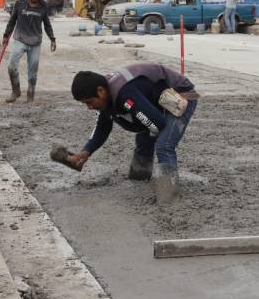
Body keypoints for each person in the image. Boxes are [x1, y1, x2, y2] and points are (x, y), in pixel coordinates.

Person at [68, 63, 198, 203]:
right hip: (154, 101)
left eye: (89, 102)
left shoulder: (124, 93)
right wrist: (86, 151)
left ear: (100, 91)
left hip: (180, 97)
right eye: (85, 104)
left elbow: (158, 123)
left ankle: (169, 196)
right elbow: (102, 127)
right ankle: (139, 179)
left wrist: (152, 132)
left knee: (164, 145)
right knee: (144, 135)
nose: (90, 107)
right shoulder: (105, 94)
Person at [3, 0, 56, 103]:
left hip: (35, 42)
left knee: (33, 71)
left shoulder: (43, 6)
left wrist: (52, 38)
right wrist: (6, 35)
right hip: (20, 39)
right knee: (11, 66)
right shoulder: (20, 4)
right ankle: (15, 91)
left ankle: (30, 94)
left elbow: (47, 24)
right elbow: (12, 20)